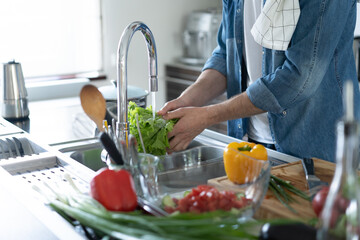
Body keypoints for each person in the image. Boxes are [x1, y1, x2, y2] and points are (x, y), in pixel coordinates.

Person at [158, 0, 360, 163]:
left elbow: (298, 79)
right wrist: (187, 100)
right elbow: (228, 54)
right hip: (248, 142)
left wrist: (206, 116)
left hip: (314, 151)